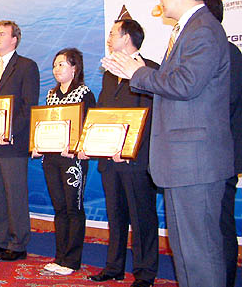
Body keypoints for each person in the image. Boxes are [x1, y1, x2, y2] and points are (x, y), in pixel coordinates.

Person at [102, 0, 233, 287]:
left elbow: (186, 84)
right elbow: (175, 86)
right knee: (186, 252)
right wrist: (136, 75)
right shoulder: (189, 30)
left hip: (196, 162)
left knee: (200, 253)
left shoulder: (203, 29)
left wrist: (138, 73)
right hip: (182, 162)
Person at [87, 20, 159, 287]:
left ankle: (145, 273)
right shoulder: (109, 74)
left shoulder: (149, 70)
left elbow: (150, 119)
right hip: (109, 160)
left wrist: (128, 149)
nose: (109, 38)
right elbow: (104, 113)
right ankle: (114, 267)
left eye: (113, 33)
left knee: (142, 218)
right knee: (115, 216)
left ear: (127, 38)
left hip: (136, 161)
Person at [0, 20, 40, 262]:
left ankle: (18, 243)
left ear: (14, 39)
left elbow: (28, 106)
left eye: (2, 34)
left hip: (12, 143)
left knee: (15, 194)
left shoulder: (26, 66)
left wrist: (9, 131)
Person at [33, 48, 95, 275]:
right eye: (54, 65)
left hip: (72, 161)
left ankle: (71, 260)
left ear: (74, 68)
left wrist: (78, 148)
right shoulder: (51, 95)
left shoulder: (84, 93)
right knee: (59, 208)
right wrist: (37, 145)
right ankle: (59, 257)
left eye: (62, 64)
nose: (56, 69)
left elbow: (89, 126)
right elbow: (45, 125)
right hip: (51, 159)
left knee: (73, 209)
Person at [205, 0, 242, 287]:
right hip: (206, 157)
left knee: (220, 224)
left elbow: (223, 105)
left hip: (220, 155)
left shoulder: (227, 53)